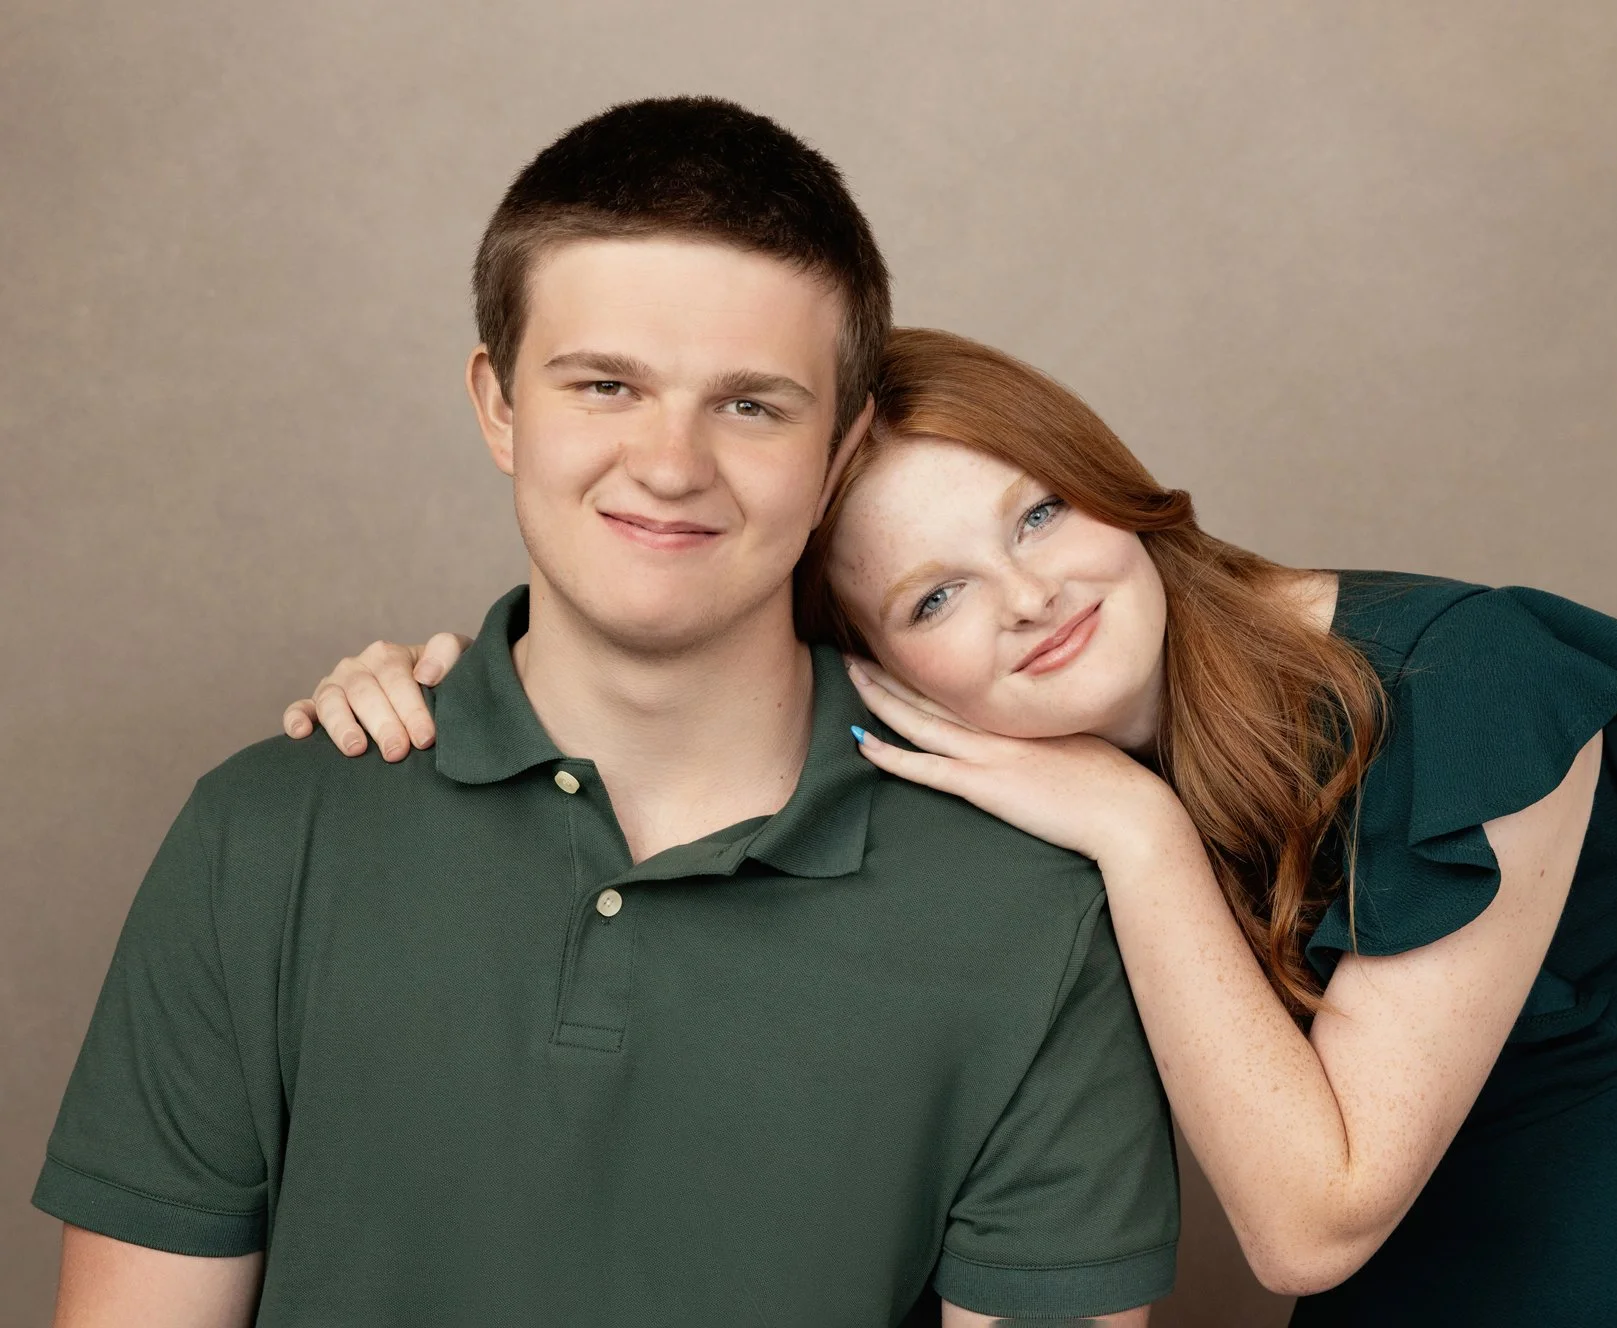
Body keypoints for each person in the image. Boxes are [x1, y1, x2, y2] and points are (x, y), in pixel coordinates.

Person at [303, 326, 1617, 1326]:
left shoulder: (1464, 684)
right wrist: (436, 697)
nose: (1030, 598)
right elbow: (668, 735)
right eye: (935, 595)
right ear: (871, 668)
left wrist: (1137, 832)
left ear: (1110, 490)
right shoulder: (987, 776)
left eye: (1037, 514)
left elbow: (1314, 1220)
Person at [33, 101, 1183, 1327]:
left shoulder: (1032, 910)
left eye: (751, 404)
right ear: (498, 405)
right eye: (605, 385)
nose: (670, 463)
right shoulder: (266, 836)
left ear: (840, 452)